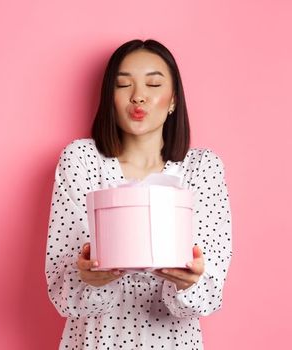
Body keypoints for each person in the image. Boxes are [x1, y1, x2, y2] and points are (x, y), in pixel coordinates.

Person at [45, 39, 233, 349]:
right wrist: (90, 281)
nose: (139, 96)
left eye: (154, 84)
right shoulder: (81, 161)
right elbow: (63, 292)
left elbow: (210, 294)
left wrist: (189, 284)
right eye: (123, 85)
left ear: (173, 100)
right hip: (97, 341)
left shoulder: (202, 169)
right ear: (110, 98)